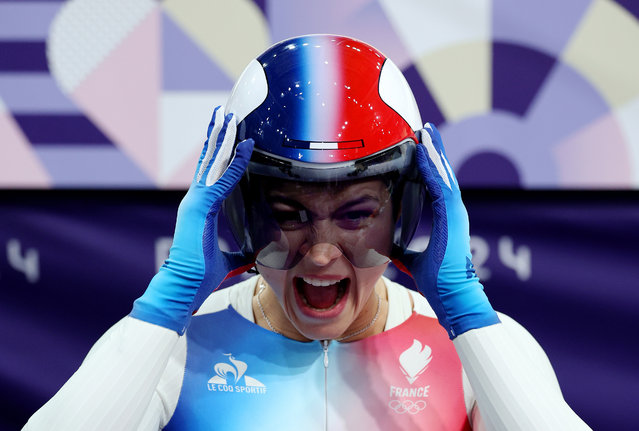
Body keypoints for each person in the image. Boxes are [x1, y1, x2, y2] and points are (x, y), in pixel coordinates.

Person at [23, 34, 591, 430]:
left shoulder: (479, 350)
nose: (320, 254)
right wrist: (164, 307)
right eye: (290, 215)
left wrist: (469, 313)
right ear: (240, 215)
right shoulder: (175, 350)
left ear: (408, 214)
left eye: (355, 215)